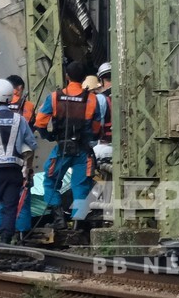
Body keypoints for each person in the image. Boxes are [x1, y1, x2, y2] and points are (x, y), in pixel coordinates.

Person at [34, 59, 103, 229]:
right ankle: (78, 222)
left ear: (67, 77)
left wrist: (49, 136)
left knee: (50, 181)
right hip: (83, 150)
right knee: (80, 185)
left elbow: (40, 122)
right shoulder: (92, 99)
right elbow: (96, 127)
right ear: (84, 78)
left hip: (62, 149)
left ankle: (59, 219)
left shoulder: (55, 97)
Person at [0, 79, 37, 244]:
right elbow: (32, 144)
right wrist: (28, 167)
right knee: (10, 206)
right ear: (10, 98)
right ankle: (6, 238)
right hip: (14, 170)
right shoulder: (21, 121)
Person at [96, 62, 113, 143]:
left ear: (101, 81)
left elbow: (97, 126)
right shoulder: (128, 95)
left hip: (106, 142)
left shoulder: (100, 98)